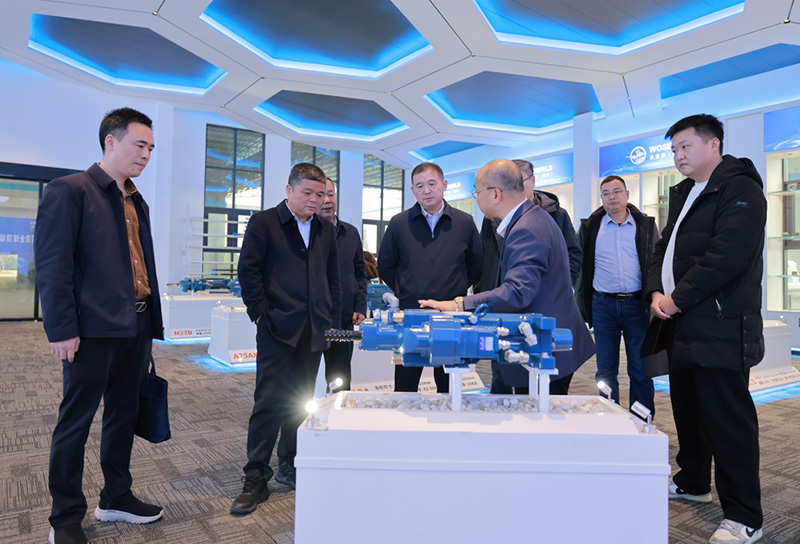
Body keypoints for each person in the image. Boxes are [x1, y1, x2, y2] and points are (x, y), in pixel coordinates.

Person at [34, 108, 164, 544]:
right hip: (91, 330)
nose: (146, 155)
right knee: (76, 419)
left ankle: (117, 496)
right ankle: (65, 517)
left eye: (151, 148)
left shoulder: (136, 200)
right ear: (111, 141)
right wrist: (60, 329)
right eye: (139, 145)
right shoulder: (69, 190)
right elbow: (53, 266)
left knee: (125, 413)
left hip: (137, 324)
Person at [646, 114, 765, 544]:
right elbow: (662, 248)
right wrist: (655, 292)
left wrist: (676, 298)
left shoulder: (740, 188)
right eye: (674, 149)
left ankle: (745, 516)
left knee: (727, 421)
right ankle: (693, 481)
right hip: (681, 323)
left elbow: (726, 256)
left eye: (685, 146)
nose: (678, 156)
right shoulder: (685, 191)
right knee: (689, 411)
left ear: (713, 144)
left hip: (719, 324)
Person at [420, 159, 594, 395]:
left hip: (544, 346)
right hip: (543, 341)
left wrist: (459, 304)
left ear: (495, 194)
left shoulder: (526, 228)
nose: (476, 198)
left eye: (477, 192)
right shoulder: (529, 219)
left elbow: (518, 291)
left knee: (538, 414)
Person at [231, 163, 340, 515]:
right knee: (269, 401)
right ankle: (255, 476)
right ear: (289, 190)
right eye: (308, 192)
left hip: (313, 330)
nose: (315, 200)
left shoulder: (325, 229)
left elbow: (332, 278)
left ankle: (290, 463)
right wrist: (261, 314)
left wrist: (330, 321)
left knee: (301, 402)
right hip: (276, 328)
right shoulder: (264, 223)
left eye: (320, 194)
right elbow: (248, 272)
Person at [378, 162, 483, 393]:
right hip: (411, 315)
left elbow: (476, 265)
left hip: (451, 315)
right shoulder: (399, 223)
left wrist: (456, 290)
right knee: (405, 386)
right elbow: (385, 265)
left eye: (432, 184)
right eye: (420, 186)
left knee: (448, 386)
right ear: (413, 190)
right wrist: (406, 289)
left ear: (444, 185)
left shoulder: (464, 222)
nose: (426, 190)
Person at [575, 175, 659, 413]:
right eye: (606, 193)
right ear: (601, 198)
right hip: (603, 305)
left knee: (640, 368)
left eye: (616, 191)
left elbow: (657, 262)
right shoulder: (591, 228)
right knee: (605, 369)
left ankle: (642, 421)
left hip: (637, 305)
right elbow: (580, 264)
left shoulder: (645, 225)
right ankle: (610, 417)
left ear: (627, 194)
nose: (612, 197)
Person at [318, 177, 368, 390]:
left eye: (331, 194)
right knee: (302, 378)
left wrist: (360, 306)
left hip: (343, 317)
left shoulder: (351, 233)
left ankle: (338, 409)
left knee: (340, 378)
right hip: (311, 318)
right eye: (321, 195)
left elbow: (360, 272)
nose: (327, 200)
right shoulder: (305, 232)